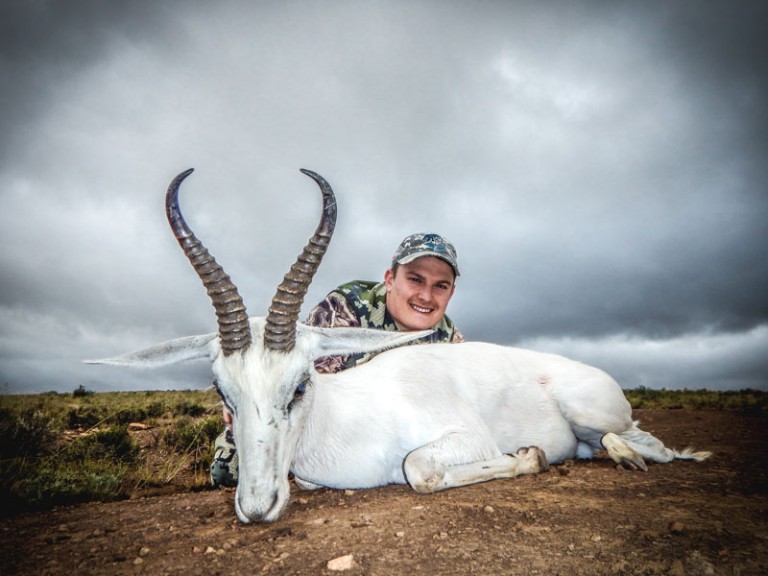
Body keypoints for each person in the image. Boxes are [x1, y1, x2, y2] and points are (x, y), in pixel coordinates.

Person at [210, 233, 464, 488]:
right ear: (389, 280)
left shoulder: (449, 339)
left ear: (451, 293)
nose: (426, 296)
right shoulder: (345, 308)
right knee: (231, 473)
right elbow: (303, 395)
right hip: (317, 429)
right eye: (415, 280)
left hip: (383, 441)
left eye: (440, 285)